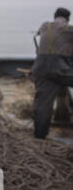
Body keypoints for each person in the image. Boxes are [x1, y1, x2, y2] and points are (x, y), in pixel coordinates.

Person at [32, 7, 73, 139]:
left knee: (43, 105)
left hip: (40, 68)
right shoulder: (69, 29)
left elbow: (38, 35)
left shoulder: (45, 25)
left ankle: (40, 137)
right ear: (67, 19)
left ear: (54, 16)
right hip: (61, 70)